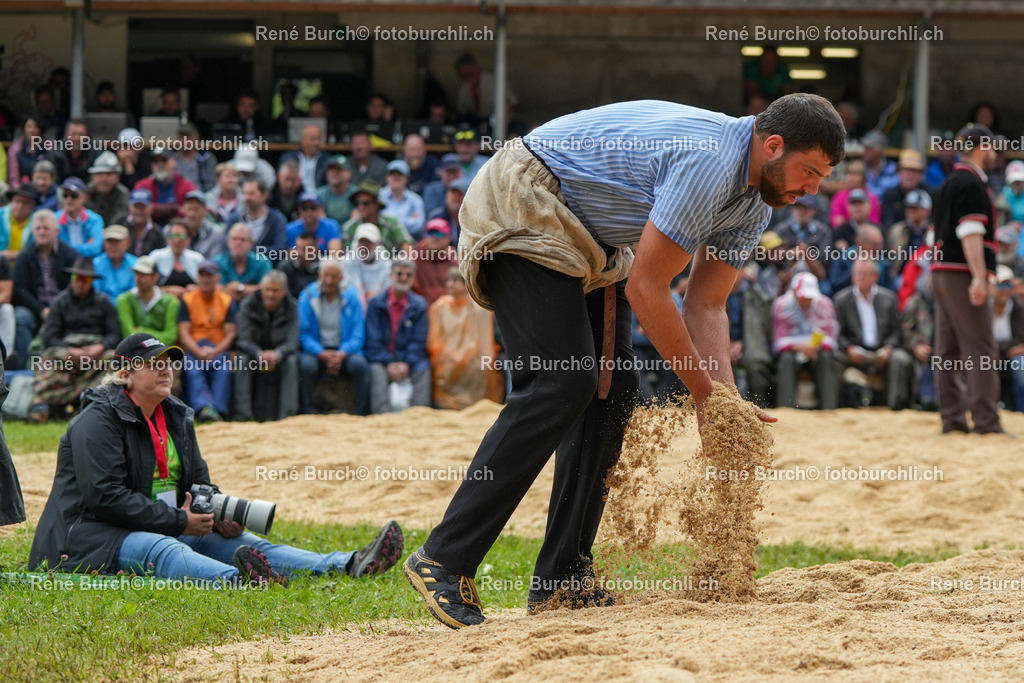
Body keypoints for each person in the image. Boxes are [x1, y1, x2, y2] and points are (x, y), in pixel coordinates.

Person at [403, 93, 845, 628]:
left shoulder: (756, 198)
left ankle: (563, 577)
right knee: (561, 384)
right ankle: (445, 558)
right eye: (810, 171)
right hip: (524, 197)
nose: (813, 189)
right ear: (772, 145)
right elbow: (649, 288)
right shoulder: (709, 162)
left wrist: (725, 405)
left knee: (613, 392)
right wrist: (702, 393)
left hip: (594, 236)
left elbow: (705, 303)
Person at [28, 332, 404, 584]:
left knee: (254, 543)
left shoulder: (175, 414)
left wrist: (217, 514)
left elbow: (198, 482)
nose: (165, 368)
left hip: (162, 521)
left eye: (168, 361)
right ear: (125, 372)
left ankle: (349, 563)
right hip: (87, 537)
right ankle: (241, 582)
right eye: (152, 362)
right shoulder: (97, 420)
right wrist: (180, 520)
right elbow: (104, 497)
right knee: (164, 548)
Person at [931, 123, 1005, 435]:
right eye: (990, 147)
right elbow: (970, 232)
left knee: (946, 350)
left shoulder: (949, 183)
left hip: (940, 272)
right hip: (962, 272)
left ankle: (953, 420)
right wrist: (979, 277)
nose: (994, 153)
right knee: (982, 348)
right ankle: (987, 422)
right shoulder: (973, 184)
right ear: (981, 147)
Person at [28, 256, 120, 423]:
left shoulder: (104, 302)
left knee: (113, 358)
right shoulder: (59, 302)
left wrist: (101, 346)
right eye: (76, 278)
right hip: (67, 355)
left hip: (96, 356)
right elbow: (50, 337)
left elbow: (114, 335)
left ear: (91, 281)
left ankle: (90, 403)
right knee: (49, 358)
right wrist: (70, 350)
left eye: (84, 279)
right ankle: (41, 406)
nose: (80, 282)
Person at [834, 259, 913, 409]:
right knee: (834, 358)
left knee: (900, 358)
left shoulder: (889, 298)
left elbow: (897, 330)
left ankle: (895, 407)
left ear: (875, 276)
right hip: (853, 350)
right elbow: (837, 333)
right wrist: (849, 348)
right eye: (857, 273)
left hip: (883, 349)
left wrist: (889, 348)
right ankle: (837, 406)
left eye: (865, 274)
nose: (860, 277)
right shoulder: (841, 299)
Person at [297, 258, 370, 415]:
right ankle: (307, 410)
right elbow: (303, 334)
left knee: (359, 365)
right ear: (319, 275)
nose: (329, 281)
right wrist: (320, 352)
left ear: (342, 277)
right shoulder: (308, 297)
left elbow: (358, 334)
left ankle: (362, 412)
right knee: (306, 366)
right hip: (317, 350)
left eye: (334, 276)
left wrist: (343, 352)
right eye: (326, 275)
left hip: (344, 350)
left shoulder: (351, 298)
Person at [427, 267, 503, 409]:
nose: (449, 284)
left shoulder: (479, 307)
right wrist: (452, 354)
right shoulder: (439, 307)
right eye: (448, 280)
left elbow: (485, 341)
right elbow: (435, 340)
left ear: (465, 284)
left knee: (481, 365)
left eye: (454, 280)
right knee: (448, 366)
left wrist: (468, 353)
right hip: (446, 356)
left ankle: (479, 405)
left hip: (474, 354)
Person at [12, 210, 78, 368]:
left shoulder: (69, 254)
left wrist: (56, 310)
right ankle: (23, 367)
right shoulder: (25, 255)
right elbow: (20, 289)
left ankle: (71, 367)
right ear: (33, 231)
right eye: (38, 228)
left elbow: (74, 285)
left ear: (56, 231)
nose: (41, 232)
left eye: (46, 228)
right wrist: (42, 310)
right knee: (21, 317)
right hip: (35, 309)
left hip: (64, 308)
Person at [365, 259, 430, 414]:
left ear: (413, 277)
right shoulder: (376, 303)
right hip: (383, 359)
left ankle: (418, 415)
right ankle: (382, 416)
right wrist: (388, 363)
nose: (403, 278)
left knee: (424, 368)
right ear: (391, 276)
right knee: (376, 370)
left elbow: (419, 341)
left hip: (409, 359)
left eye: (408, 275)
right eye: (399, 274)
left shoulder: (419, 305)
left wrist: (406, 363)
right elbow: (373, 341)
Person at [234, 270, 299, 421]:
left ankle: (287, 415)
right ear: (261, 289)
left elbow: (293, 341)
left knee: (291, 361)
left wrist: (278, 353)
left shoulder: (293, 307)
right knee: (241, 360)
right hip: (253, 353)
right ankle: (243, 415)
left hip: (280, 354)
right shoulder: (248, 305)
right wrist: (258, 353)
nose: (270, 294)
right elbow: (242, 339)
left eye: (275, 291)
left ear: (284, 292)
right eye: (267, 290)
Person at [177, 260, 236, 422]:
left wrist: (215, 351)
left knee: (223, 367)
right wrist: (198, 351)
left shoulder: (226, 300)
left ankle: (218, 410)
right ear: (197, 278)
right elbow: (184, 332)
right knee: (191, 367)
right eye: (202, 275)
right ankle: (204, 408)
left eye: (210, 276)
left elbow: (230, 333)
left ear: (217, 278)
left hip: (218, 347)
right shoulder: (188, 299)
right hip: (195, 346)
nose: (206, 279)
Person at [771, 272, 839, 409]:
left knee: (826, 358)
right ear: (794, 292)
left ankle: (829, 408)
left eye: (810, 297)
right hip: (792, 351)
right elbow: (777, 342)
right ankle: (786, 408)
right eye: (803, 297)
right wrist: (798, 346)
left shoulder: (825, 303)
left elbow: (832, 339)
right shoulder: (780, 305)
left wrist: (815, 346)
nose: (806, 301)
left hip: (817, 350)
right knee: (786, 360)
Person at [116, 255, 180, 345]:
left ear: (155, 277)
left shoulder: (170, 302)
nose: (138, 278)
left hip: (161, 354)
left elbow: (171, 336)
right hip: (134, 354)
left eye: (143, 274)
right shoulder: (124, 300)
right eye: (136, 274)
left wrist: (141, 331)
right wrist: (156, 336)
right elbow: (129, 335)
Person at [132, 142, 197, 226]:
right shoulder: (143, 185)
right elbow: (139, 211)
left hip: (178, 232)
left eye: (164, 160)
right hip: (150, 232)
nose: (160, 164)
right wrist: (175, 208)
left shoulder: (186, 186)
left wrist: (155, 210)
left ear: (174, 162)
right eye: (156, 161)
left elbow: (190, 213)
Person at [225, 178, 289, 263]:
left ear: (264, 195)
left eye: (251, 193)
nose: (247, 198)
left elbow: (280, 250)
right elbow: (226, 246)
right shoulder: (234, 219)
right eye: (245, 193)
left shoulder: (277, 219)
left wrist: (248, 250)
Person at [342, 181, 412, 255]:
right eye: (358, 203)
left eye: (366, 203)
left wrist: (402, 262)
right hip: (357, 265)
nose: (361, 207)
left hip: (389, 265)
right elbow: (346, 255)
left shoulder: (391, 222)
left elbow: (406, 242)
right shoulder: (349, 227)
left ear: (376, 204)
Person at [991, 265, 1024, 411]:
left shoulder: (1018, 307)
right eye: (1000, 284)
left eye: (1008, 284)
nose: (1005, 289)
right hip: (990, 354)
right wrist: (1006, 350)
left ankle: (1020, 411)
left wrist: (998, 349)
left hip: (1011, 356)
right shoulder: (982, 309)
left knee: (1020, 364)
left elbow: (1021, 338)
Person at [215, 223, 272, 304]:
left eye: (243, 240)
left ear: (251, 244)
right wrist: (250, 291)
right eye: (234, 239)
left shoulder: (262, 261)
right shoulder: (218, 262)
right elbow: (216, 290)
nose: (238, 243)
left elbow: (267, 290)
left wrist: (240, 288)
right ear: (228, 242)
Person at [150, 218, 204, 299]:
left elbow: (207, 286)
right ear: (167, 238)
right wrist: (167, 290)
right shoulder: (156, 256)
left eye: (181, 236)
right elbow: (145, 287)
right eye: (173, 236)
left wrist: (198, 289)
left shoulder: (197, 258)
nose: (176, 240)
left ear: (188, 240)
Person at [53, 177, 105, 258]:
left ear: (84, 198)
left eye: (74, 195)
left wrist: (65, 248)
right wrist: (86, 246)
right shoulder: (54, 219)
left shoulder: (95, 220)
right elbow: (53, 249)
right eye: (65, 195)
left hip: (87, 266)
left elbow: (96, 249)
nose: (69, 199)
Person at [411, 218, 458, 306]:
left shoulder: (454, 261)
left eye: (440, 234)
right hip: (422, 309)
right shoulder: (415, 259)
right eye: (431, 233)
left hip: (449, 307)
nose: (434, 238)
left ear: (448, 238)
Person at [343, 223, 391, 305]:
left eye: (369, 242)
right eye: (361, 241)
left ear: (378, 244)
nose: (364, 247)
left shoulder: (387, 267)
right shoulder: (346, 264)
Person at [380, 160, 426, 240]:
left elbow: (418, 226)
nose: (396, 177)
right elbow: (377, 222)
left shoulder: (416, 199)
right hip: (383, 241)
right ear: (387, 177)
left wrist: (389, 221)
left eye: (400, 174)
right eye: (392, 174)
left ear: (407, 178)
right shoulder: (379, 195)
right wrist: (408, 219)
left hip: (409, 243)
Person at [279, 123, 331, 194]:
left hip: (319, 198)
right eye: (313, 139)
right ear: (303, 141)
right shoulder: (289, 158)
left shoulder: (327, 159)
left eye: (319, 139)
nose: (316, 143)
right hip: (295, 197)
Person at [92, 225, 138, 302]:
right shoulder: (95, 264)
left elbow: (136, 294)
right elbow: (95, 292)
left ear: (127, 243)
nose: (113, 246)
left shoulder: (136, 264)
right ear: (104, 243)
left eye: (117, 242)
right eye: (110, 241)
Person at [117, 190, 167, 257]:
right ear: (130, 207)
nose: (139, 211)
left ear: (151, 208)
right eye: (136, 207)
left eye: (143, 207)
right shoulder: (119, 222)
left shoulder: (156, 232)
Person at [86, 151, 130, 227]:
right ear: (92, 177)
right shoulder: (85, 193)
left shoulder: (123, 194)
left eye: (108, 174)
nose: (104, 179)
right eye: (99, 174)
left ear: (117, 177)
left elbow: (122, 221)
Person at [0, 186, 38, 261]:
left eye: (26, 203)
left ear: (33, 206)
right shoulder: (1, 215)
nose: (20, 206)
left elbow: (38, 252)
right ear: (11, 201)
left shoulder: (38, 222)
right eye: (17, 201)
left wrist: (13, 255)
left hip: (25, 269)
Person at [317, 155, 356, 226]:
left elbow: (355, 221)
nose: (334, 173)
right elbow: (322, 222)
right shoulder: (318, 195)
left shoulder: (357, 194)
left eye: (339, 169)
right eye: (331, 169)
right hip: (328, 234)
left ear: (349, 173)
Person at [279, 232, 320, 298]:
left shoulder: (323, 269)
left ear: (316, 250)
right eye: (298, 248)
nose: (299, 253)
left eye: (305, 249)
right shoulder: (285, 267)